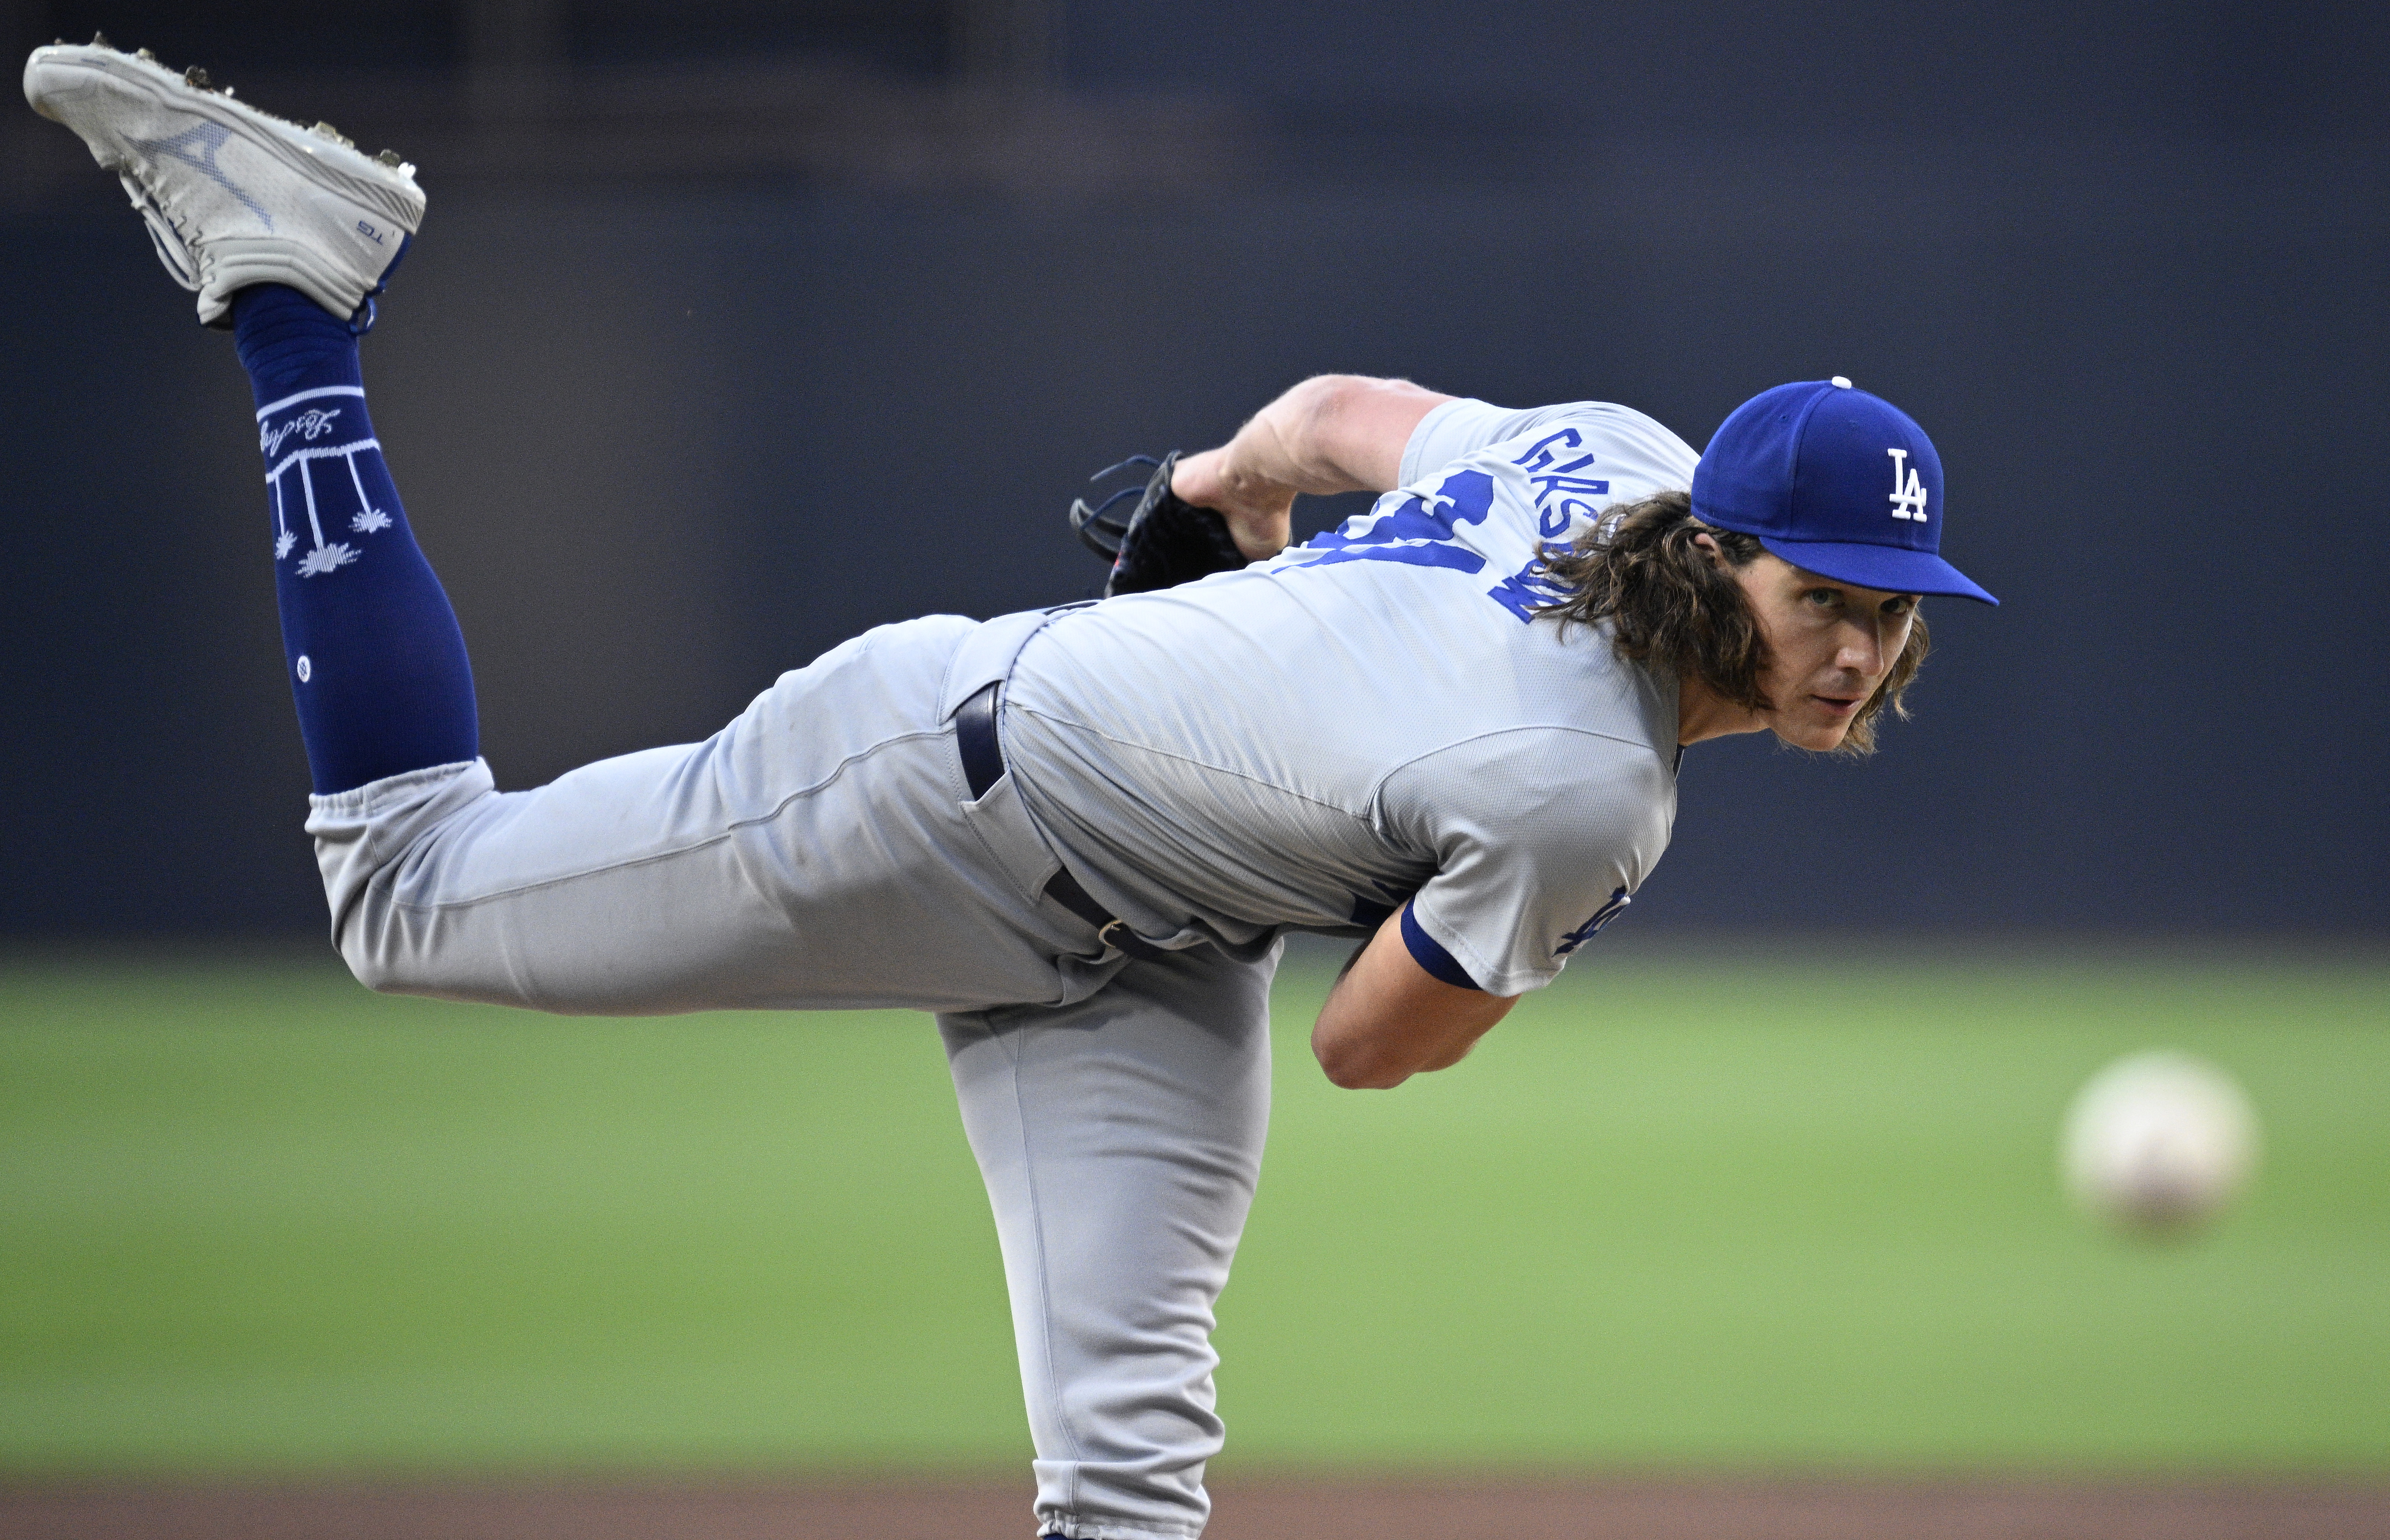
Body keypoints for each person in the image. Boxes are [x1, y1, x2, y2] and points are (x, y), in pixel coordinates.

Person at [27, 39, 1996, 1540]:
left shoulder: (1611, 453)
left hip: (1155, 937)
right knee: (411, 898)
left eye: (1893, 612)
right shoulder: (1592, 800)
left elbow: (1325, 421)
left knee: (1131, 1485)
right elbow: (1375, 1055)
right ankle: (300, 295)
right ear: (1725, 555)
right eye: (1822, 594)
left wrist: (1234, 506)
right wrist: (1486, 884)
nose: (1857, 645)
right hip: (943, 789)